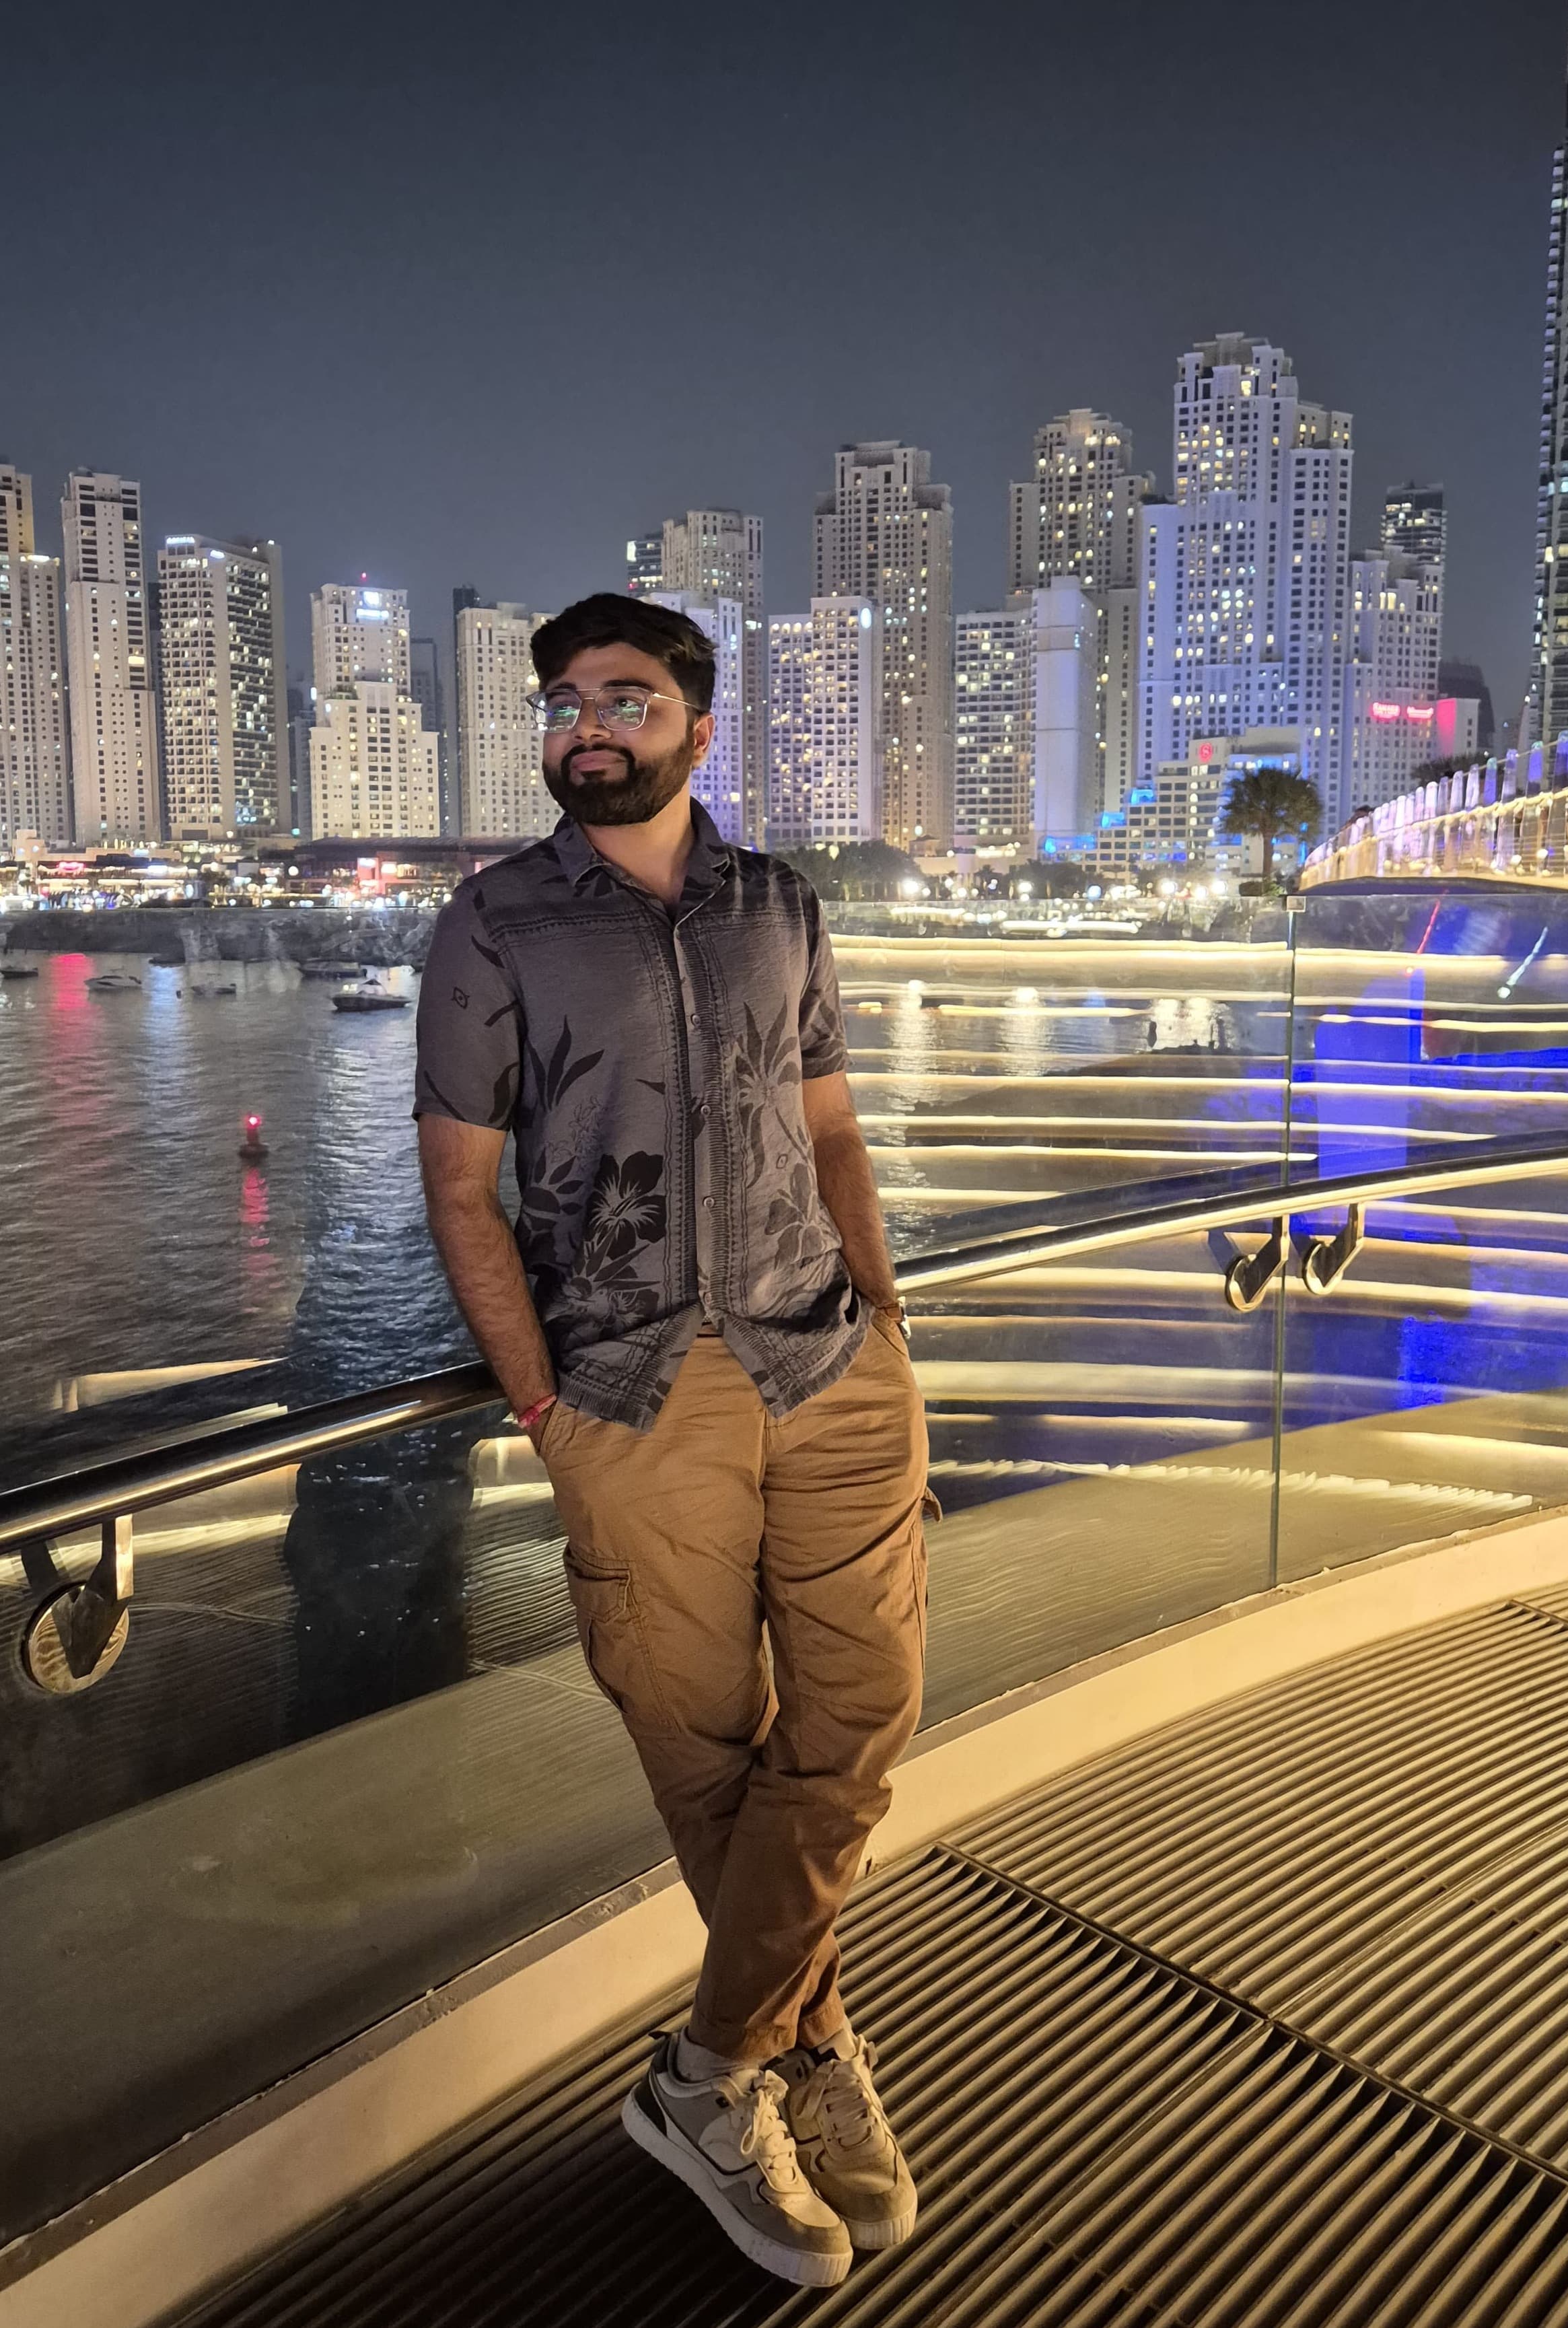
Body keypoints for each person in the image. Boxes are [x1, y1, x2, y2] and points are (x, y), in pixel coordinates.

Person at [414, 594, 927, 2288]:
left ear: (698, 727)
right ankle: (797, 2050)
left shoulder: (778, 903)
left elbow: (832, 1128)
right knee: (708, 1749)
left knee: (858, 1714)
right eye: (566, 700)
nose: (588, 726)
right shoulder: (493, 925)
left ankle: (709, 2069)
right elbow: (461, 1188)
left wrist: (886, 1318)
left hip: (826, 1366)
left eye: (624, 699)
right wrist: (547, 1410)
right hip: (630, 1392)